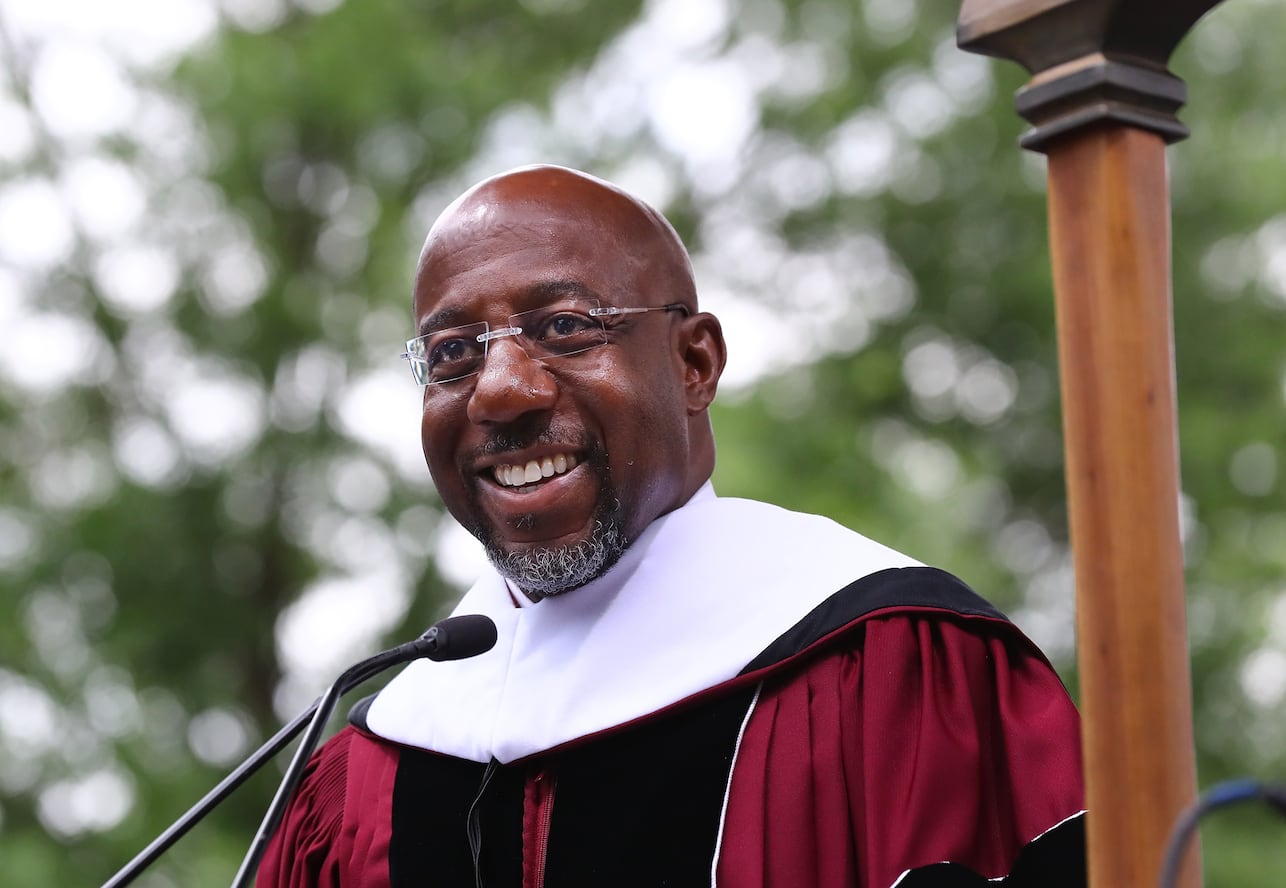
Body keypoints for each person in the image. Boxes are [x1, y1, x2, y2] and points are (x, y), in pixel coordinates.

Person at [259, 164, 1085, 887]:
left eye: (564, 327)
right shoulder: (370, 768)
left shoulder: (894, 673)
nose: (501, 391)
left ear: (695, 365)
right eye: (452, 353)